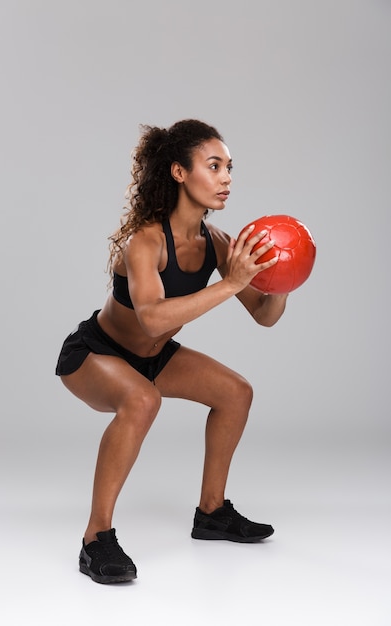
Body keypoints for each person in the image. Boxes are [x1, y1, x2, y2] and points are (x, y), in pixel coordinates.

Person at [55, 119, 288, 584]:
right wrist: (232, 283)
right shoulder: (146, 239)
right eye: (214, 166)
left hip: (153, 359)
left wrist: (283, 278)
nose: (226, 178)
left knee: (236, 393)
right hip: (95, 354)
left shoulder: (217, 243)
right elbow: (153, 318)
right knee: (142, 399)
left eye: (229, 168)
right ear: (180, 172)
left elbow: (264, 314)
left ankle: (213, 512)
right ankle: (95, 538)